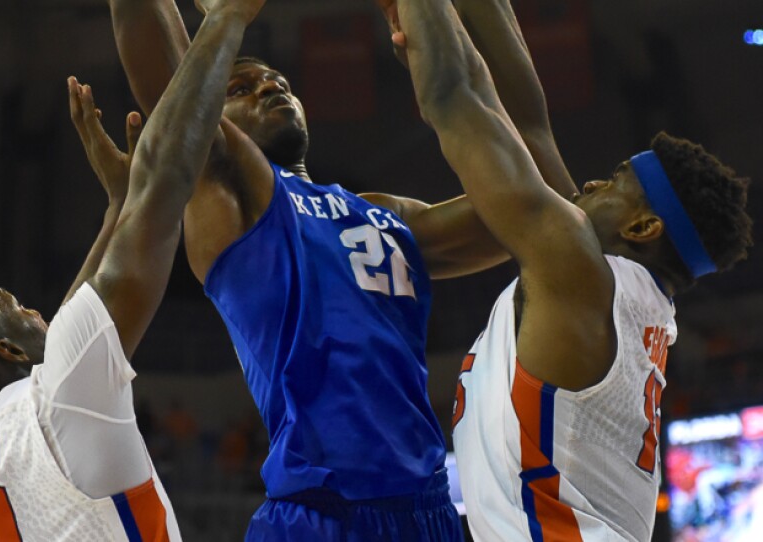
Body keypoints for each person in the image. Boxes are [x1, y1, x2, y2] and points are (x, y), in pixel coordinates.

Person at [90, 0, 591, 539]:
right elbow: (166, 78)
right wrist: (228, 15)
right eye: (240, 88)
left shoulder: (385, 214)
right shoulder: (230, 198)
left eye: (277, 81)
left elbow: (543, 205)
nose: (269, 88)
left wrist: (455, 41)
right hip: (319, 512)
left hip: (427, 511)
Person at [0, 0, 266, 538]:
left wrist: (117, 211)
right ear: (8, 350)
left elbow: (68, 340)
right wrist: (226, 20)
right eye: (16, 307)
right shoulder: (56, 399)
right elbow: (167, 183)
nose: (37, 309)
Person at [389, 0, 753, 540]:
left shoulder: (581, 276)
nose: (589, 186)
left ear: (642, 228)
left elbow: (454, 100)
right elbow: (530, 129)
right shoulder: (605, 286)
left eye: (612, 183)